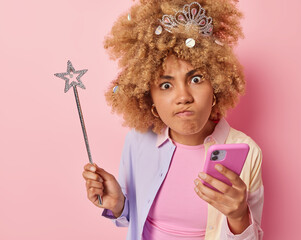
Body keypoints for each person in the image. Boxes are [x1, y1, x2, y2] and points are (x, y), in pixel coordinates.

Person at [82, 0, 264, 239]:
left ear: (217, 86)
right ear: (150, 100)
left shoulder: (247, 152)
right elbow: (136, 220)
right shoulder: (138, 141)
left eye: (196, 79)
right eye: (166, 85)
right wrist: (118, 204)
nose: (183, 97)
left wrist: (239, 215)